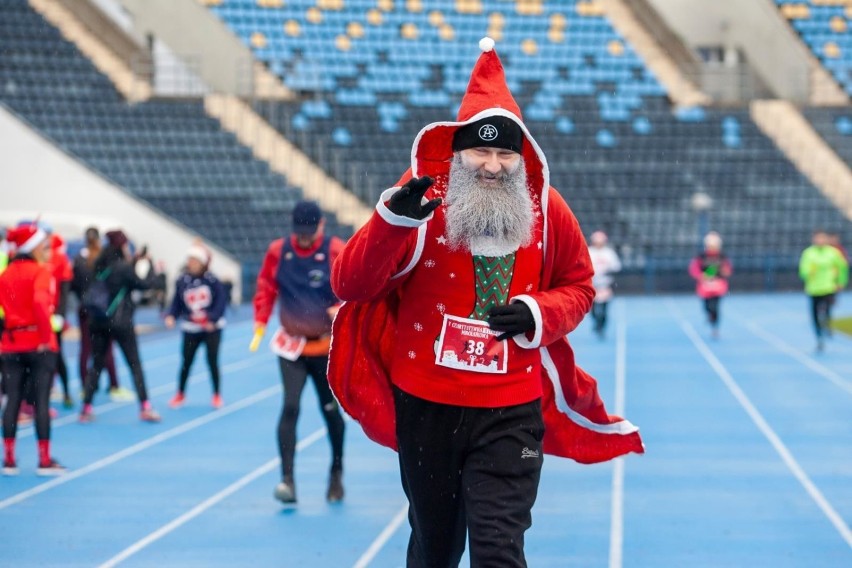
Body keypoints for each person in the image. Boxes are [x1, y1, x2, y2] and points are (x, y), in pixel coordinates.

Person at [327, 38, 643, 567]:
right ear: (456, 150)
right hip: (426, 406)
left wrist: (538, 314)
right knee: (435, 548)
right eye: (480, 150)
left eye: (504, 153)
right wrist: (391, 222)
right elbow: (350, 285)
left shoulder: (546, 208)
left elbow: (580, 286)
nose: (493, 166)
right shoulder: (419, 197)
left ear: (522, 157)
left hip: (510, 409)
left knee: (500, 549)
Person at [252, 201, 346, 506]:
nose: (304, 240)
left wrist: (342, 308)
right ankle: (287, 480)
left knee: (329, 410)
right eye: (299, 234)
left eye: (309, 233)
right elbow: (266, 285)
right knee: (290, 407)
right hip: (291, 346)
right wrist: (260, 320)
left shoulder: (335, 250)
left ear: (321, 226)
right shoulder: (279, 250)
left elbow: (355, 287)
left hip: (324, 346)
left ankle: (335, 473)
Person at [0, 224, 65, 475]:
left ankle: (9, 459)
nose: (48, 250)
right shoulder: (40, 272)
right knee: (40, 402)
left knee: (12, 400)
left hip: (11, 344)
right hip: (38, 344)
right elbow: (39, 302)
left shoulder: (5, 275)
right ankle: (44, 460)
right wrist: (46, 336)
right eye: (45, 246)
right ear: (35, 247)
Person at [78, 230, 161, 423]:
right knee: (134, 363)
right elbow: (145, 284)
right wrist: (150, 266)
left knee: (97, 364)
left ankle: (86, 407)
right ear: (122, 247)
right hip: (121, 321)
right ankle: (145, 406)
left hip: (98, 321)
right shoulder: (124, 268)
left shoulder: (99, 266)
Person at [165, 242, 227, 409]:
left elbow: (221, 303)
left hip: (211, 329)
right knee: (186, 362)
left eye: (194, 260)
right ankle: (180, 393)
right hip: (191, 328)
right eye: (190, 259)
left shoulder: (212, 280)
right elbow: (176, 302)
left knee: (212, 361)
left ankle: (216, 394)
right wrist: (171, 315)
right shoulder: (182, 280)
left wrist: (211, 320)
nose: (191, 263)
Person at [71, 227, 128, 401]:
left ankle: (85, 386)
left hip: (85, 307)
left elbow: (73, 285)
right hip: (102, 309)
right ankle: (113, 385)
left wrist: (84, 298)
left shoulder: (79, 259)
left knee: (86, 349)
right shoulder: (102, 257)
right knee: (106, 349)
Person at [799, 229, 849, 351]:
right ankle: (819, 337)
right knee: (815, 315)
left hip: (829, 287)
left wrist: (841, 282)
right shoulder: (808, 253)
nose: (820, 240)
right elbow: (803, 271)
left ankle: (826, 326)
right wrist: (808, 272)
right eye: (818, 238)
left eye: (822, 238)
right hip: (814, 289)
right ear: (813, 239)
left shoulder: (833, 253)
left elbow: (843, 267)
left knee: (827, 310)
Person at [688, 231, 732, 339]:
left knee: (716, 307)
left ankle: (715, 327)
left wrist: (723, 271)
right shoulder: (701, 257)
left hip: (718, 286)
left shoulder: (722, 257)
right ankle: (710, 315)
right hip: (705, 287)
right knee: (707, 306)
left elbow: (728, 269)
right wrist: (701, 276)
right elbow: (694, 269)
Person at [587, 230, 622, 338]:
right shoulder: (589, 251)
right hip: (591, 285)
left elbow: (617, 266)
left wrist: (608, 271)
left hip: (605, 285)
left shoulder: (609, 253)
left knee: (604, 309)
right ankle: (596, 323)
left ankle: (601, 327)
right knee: (591, 309)